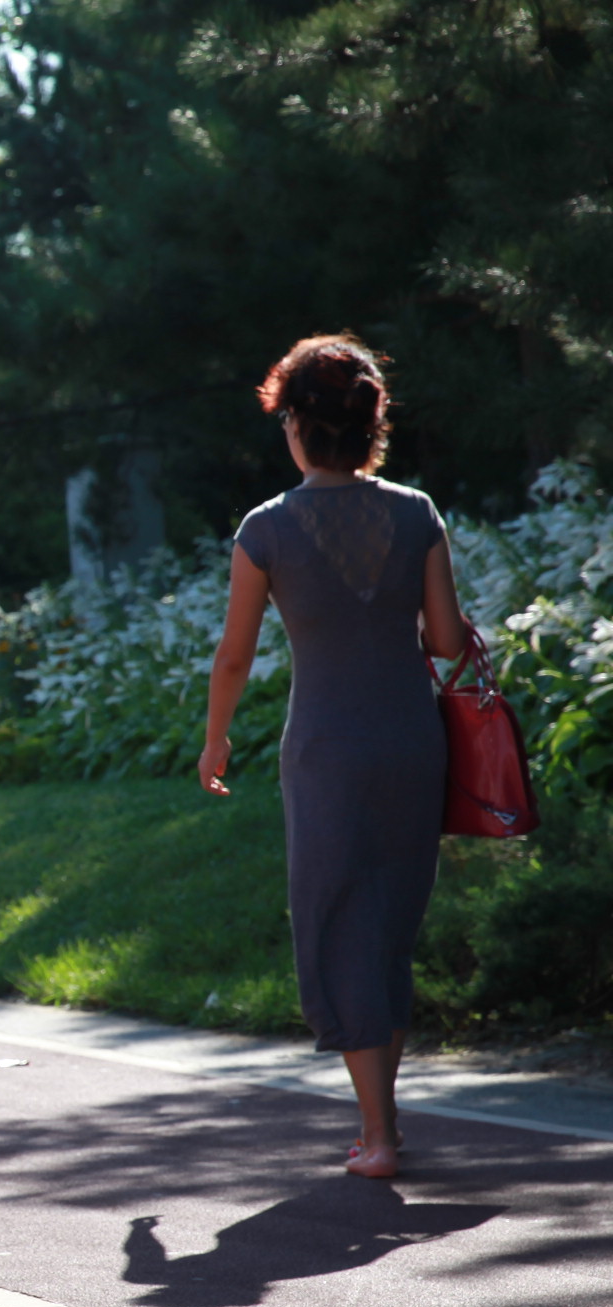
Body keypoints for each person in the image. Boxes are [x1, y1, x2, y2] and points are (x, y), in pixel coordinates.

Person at [202, 335, 468, 1180]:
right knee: (389, 927)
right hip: (411, 742)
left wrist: (216, 738)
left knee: (338, 922)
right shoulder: (417, 513)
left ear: (295, 425)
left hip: (324, 751)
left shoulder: (266, 530)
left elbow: (235, 657)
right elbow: (447, 641)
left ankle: (378, 1136)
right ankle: (383, 1125)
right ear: (369, 426)